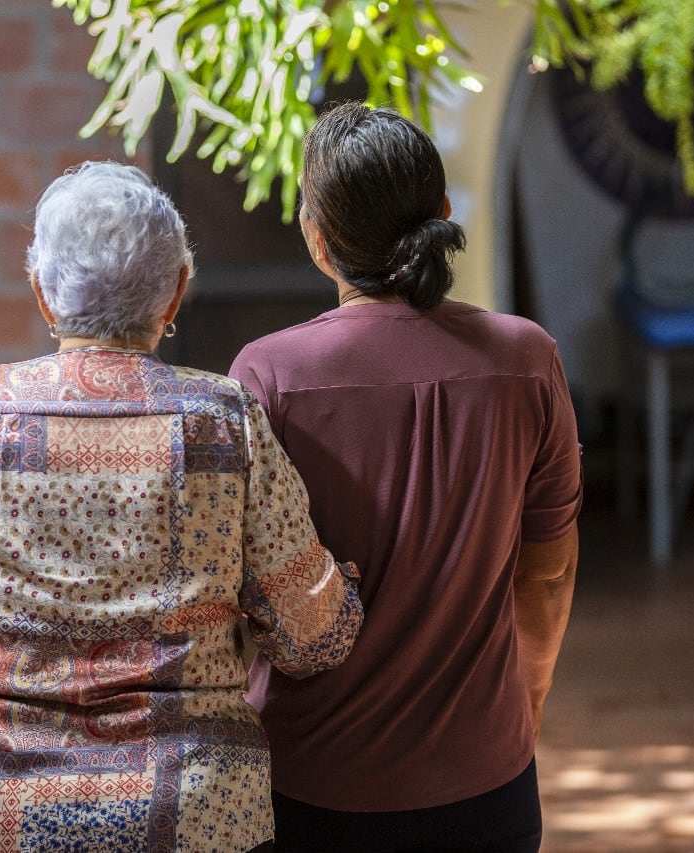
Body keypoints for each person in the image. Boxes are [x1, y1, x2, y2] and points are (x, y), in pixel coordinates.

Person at [0, 161, 363, 853]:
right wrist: (349, 590)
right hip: (194, 819)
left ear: (43, 294)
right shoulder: (224, 420)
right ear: (176, 291)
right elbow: (311, 636)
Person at [229, 102, 582, 852]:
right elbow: (547, 574)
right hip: (487, 784)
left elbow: (236, 593)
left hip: (309, 786)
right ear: (444, 215)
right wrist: (524, 708)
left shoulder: (269, 377)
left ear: (316, 238)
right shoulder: (527, 359)